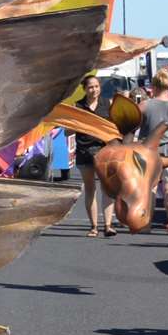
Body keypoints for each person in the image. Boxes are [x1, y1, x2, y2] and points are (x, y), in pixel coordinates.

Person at [138, 70, 168, 233]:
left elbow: (131, 124)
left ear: (154, 86)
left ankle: (146, 224)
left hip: (150, 150)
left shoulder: (145, 105)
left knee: (150, 188)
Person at [71, 74, 116, 236]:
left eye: (96, 86)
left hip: (104, 152)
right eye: (90, 87)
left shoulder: (107, 103)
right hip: (84, 153)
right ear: (84, 89)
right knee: (90, 189)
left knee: (107, 189)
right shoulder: (78, 106)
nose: (94, 90)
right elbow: (68, 131)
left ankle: (108, 225)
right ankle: (94, 226)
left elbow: (114, 127)